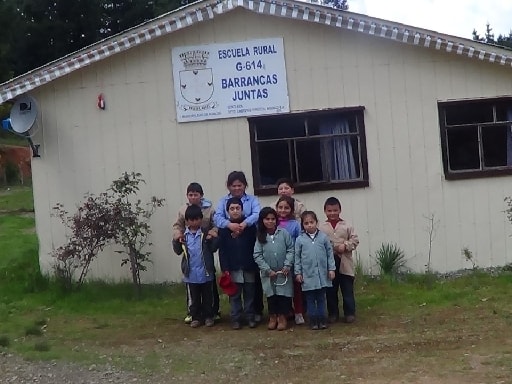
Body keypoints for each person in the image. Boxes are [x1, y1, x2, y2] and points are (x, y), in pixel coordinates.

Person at [214, 171, 264, 322]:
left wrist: (243, 225)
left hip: (248, 237)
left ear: (245, 185)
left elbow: (257, 214)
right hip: (229, 238)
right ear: (228, 186)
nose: (236, 188)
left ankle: (253, 314)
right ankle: (236, 316)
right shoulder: (223, 202)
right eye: (233, 185)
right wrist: (230, 225)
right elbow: (217, 217)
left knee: (251, 288)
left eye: (239, 185)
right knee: (235, 291)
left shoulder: (252, 200)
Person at [172, 182, 220, 324]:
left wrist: (214, 233)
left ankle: (211, 313)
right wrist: (177, 236)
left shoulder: (209, 209)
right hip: (190, 261)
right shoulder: (182, 210)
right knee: (193, 293)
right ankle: (194, 315)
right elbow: (177, 226)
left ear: (201, 195)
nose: (193, 197)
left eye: (196, 195)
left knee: (209, 291)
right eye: (190, 195)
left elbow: (216, 224)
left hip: (204, 243)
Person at [218, 197, 258, 329]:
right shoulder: (224, 230)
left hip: (249, 266)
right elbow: (222, 251)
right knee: (234, 295)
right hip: (233, 267)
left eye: (237, 208)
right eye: (232, 209)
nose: (235, 211)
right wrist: (225, 268)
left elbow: (255, 246)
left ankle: (250, 316)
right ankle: (236, 318)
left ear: (242, 209)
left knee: (249, 293)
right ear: (227, 211)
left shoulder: (250, 228)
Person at [319, 197, 359, 324]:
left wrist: (345, 246)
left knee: (347, 289)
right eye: (329, 211)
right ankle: (333, 313)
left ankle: (349, 313)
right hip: (329, 264)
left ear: (340, 210)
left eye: (335, 210)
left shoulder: (347, 225)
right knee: (331, 290)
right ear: (325, 211)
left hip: (345, 263)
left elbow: (355, 240)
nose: (332, 213)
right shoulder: (321, 227)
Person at [253, 207, 294, 331]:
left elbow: (291, 249)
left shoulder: (284, 233)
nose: (270, 222)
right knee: (271, 296)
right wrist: (267, 270)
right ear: (262, 221)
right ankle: (272, 317)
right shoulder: (260, 236)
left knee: (283, 296)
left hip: (283, 272)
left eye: (272, 219)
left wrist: (287, 265)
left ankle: (282, 317)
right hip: (269, 274)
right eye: (267, 219)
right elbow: (257, 255)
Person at [295, 211, 336, 330]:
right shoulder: (300, 240)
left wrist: (331, 269)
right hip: (308, 276)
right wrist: (298, 272)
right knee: (310, 299)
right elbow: (297, 257)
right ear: (303, 225)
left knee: (321, 298)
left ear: (316, 223)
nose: (309, 225)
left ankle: (322, 320)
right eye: (306, 223)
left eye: (312, 222)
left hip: (322, 275)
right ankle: (313, 320)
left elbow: (329, 254)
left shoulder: (323, 237)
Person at [275, 195, 305, 325]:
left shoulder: (296, 225)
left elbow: (300, 242)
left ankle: (299, 312)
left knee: (297, 288)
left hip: (294, 261)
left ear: (292, 210)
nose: (283, 210)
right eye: (280, 207)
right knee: (282, 289)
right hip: (278, 262)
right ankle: (286, 312)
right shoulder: (273, 223)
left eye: (286, 208)